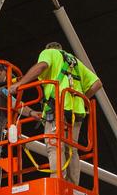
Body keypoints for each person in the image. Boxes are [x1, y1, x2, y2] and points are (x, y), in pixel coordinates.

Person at [11, 43, 102, 183]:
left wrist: (20, 83)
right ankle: (73, 185)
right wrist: (83, 99)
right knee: (72, 148)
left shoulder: (49, 53)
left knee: (54, 145)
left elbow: (41, 66)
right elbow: (97, 83)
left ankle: (58, 181)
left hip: (59, 107)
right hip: (76, 111)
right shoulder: (75, 61)